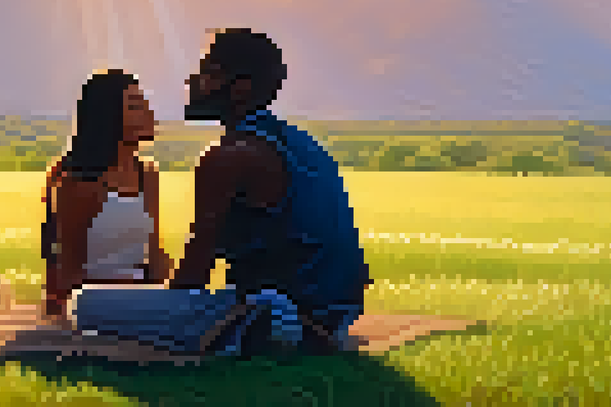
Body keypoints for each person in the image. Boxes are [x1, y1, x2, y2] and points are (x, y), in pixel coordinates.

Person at [68, 29, 371, 356]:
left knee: (83, 304)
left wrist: (156, 304)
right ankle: (271, 327)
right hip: (334, 316)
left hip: (281, 310)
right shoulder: (297, 142)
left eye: (208, 73)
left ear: (239, 88)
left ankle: (261, 327)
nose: (193, 81)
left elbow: (192, 278)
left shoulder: (227, 157)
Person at [41, 70, 172, 320]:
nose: (149, 114)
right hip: (93, 299)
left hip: (141, 293)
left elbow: (154, 251)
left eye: (146, 104)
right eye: (135, 106)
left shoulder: (147, 174)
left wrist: (172, 293)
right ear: (106, 116)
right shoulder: (78, 182)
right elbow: (68, 268)